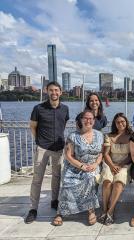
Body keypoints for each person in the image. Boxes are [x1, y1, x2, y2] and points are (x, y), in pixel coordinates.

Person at [25, 81, 69, 224]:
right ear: (47, 91)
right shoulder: (38, 108)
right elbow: (33, 126)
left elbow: (64, 124)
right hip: (42, 148)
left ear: (60, 92)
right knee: (37, 179)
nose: (54, 93)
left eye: (56, 90)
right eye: (51, 90)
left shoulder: (65, 109)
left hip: (58, 148)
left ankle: (54, 200)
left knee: (57, 176)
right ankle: (33, 209)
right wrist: (39, 141)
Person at [52, 110, 104, 226]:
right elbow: (68, 156)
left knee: (90, 179)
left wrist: (95, 164)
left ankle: (91, 211)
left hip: (92, 166)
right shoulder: (73, 136)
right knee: (67, 182)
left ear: (94, 121)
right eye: (85, 118)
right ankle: (61, 212)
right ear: (81, 120)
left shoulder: (100, 135)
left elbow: (101, 153)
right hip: (75, 166)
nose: (88, 120)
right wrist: (81, 166)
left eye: (91, 118)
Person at [98, 113, 133, 225]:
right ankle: (104, 209)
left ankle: (111, 211)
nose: (120, 124)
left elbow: (131, 155)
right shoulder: (109, 136)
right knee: (107, 181)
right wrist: (112, 165)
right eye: (118, 122)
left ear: (126, 123)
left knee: (118, 182)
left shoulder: (131, 136)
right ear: (115, 124)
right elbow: (106, 154)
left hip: (125, 164)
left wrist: (120, 165)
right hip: (110, 163)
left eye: (123, 121)